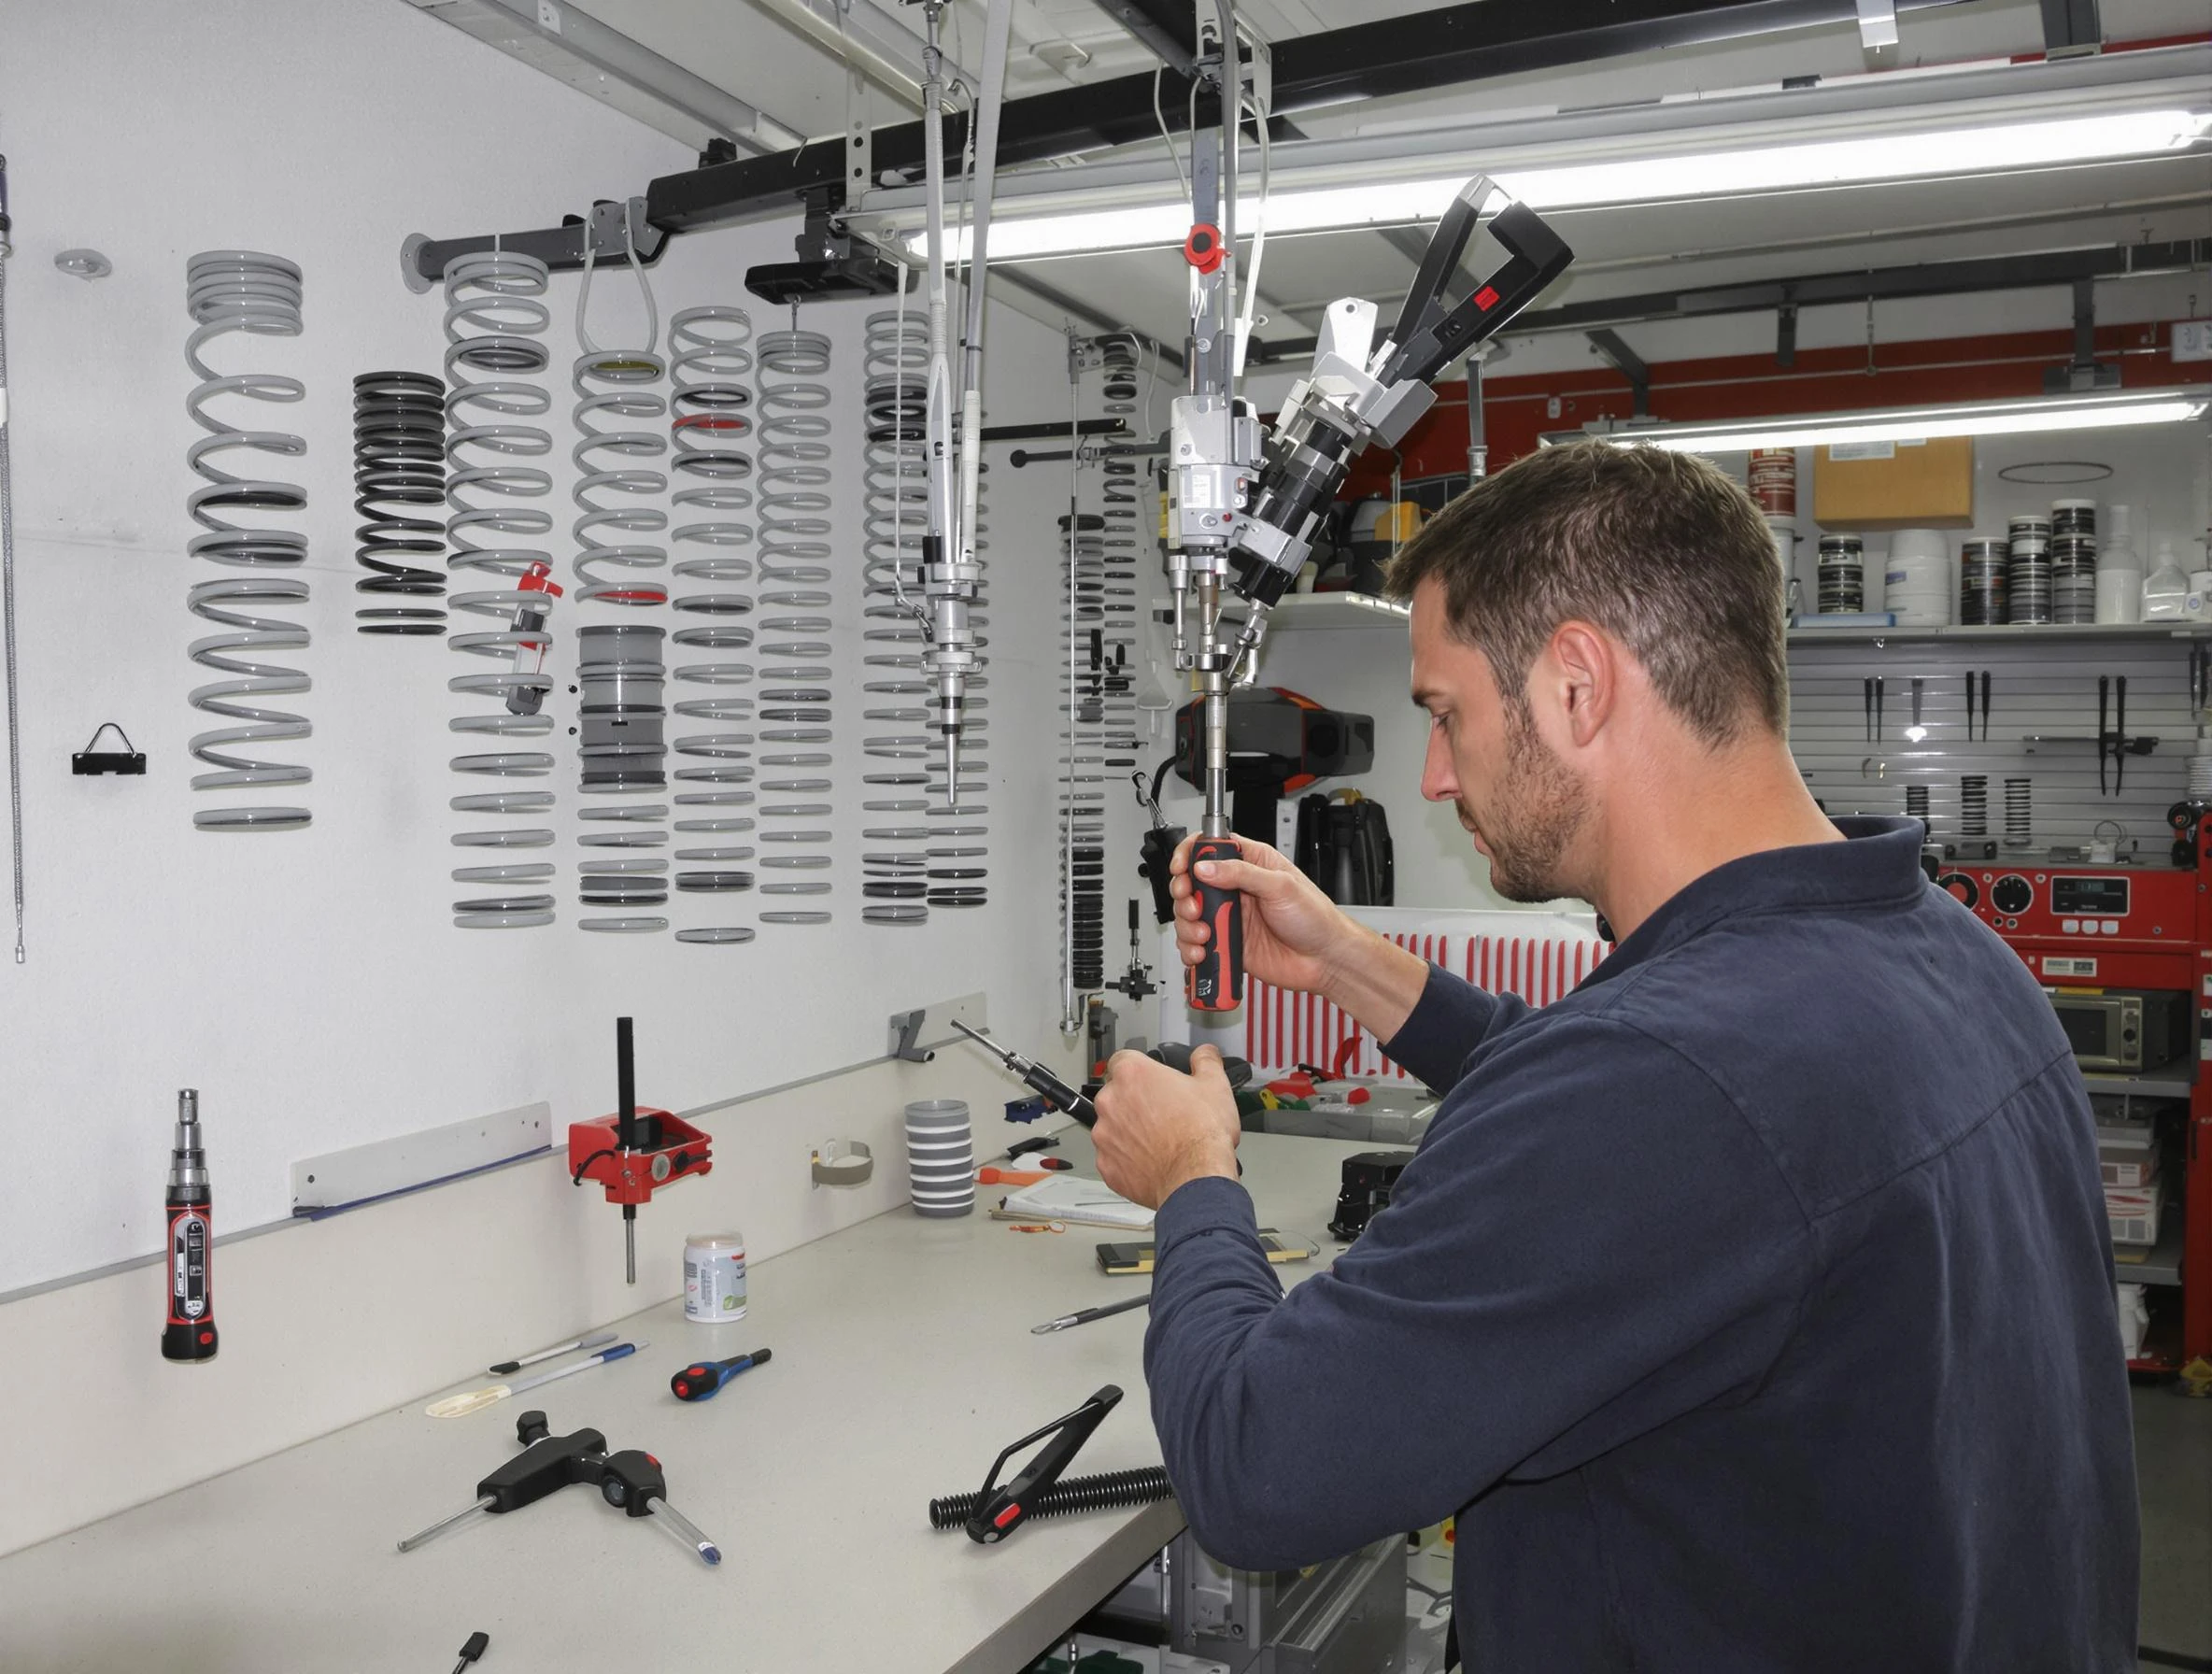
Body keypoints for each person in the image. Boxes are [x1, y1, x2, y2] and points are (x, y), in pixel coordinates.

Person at [1089, 441, 2138, 1671]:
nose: (1434, 775)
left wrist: (1196, 1178)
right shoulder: (1945, 956)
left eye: (1446, 713)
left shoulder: (1668, 1085)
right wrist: (1351, 964)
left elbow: (1257, 1466)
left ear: (1578, 686)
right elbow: (1684, 1135)